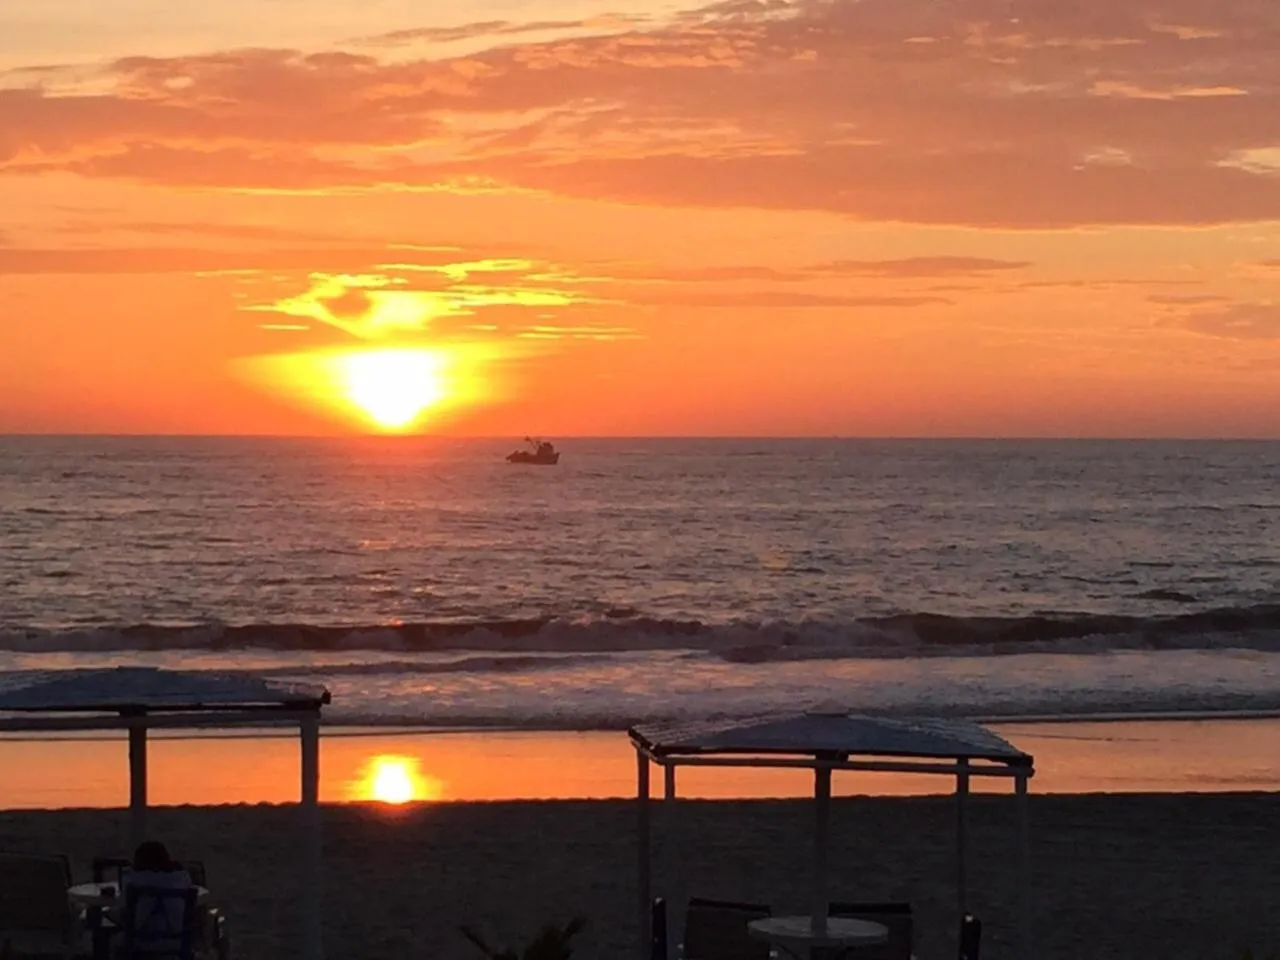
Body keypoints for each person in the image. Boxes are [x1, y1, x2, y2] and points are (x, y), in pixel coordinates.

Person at [111, 841, 194, 952]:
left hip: (140, 941)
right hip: (177, 941)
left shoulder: (135, 881)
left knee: (112, 939)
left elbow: (126, 915)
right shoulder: (182, 879)